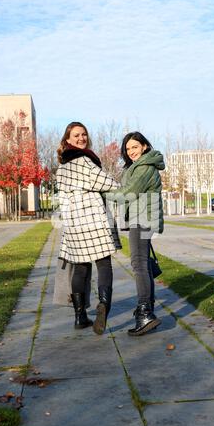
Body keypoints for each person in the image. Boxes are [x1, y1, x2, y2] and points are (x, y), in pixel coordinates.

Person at [56, 121, 121, 334]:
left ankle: (79, 316)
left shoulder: (62, 168)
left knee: (80, 268)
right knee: (104, 264)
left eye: (84, 134)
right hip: (93, 221)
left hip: (73, 224)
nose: (81, 138)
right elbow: (108, 184)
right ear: (67, 139)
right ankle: (103, 305)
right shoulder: (85, 161)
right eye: (76, 135)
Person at [106, 131, 165, 336]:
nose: (131, 151)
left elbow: (127, 194)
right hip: (141, 219)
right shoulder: (137, 167)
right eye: (128, 148)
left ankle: (145, 312)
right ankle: (147, 311)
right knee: (144, 264)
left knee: (139, 264)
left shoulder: (145, 168)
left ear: (145, 147)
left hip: (142, 219)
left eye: (135, 147)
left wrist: (103, 193)